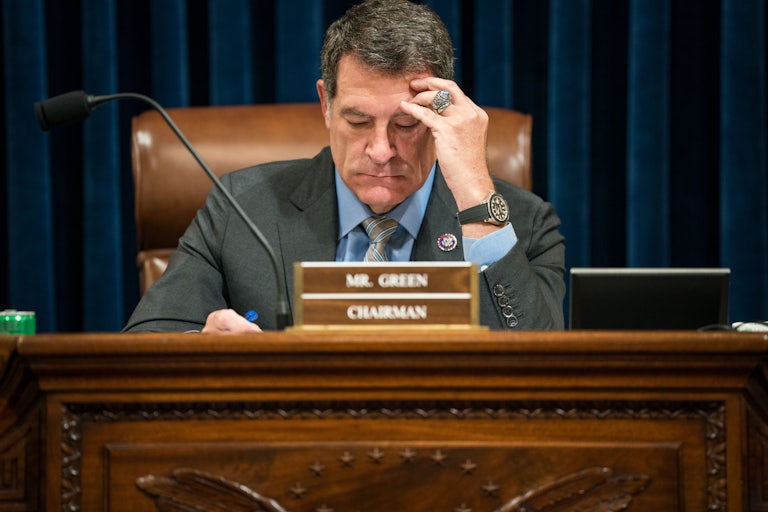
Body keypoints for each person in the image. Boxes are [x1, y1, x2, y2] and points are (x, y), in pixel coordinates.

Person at [124, 0, 565, 333]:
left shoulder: (523, 225)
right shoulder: (240, 208)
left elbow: (546, 371)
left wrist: (474, 194)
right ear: (326, 106)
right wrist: (200, 348)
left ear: (442, 118)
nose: (380, 150)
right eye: (357, 121)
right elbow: (145, 342)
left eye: (406, 123)